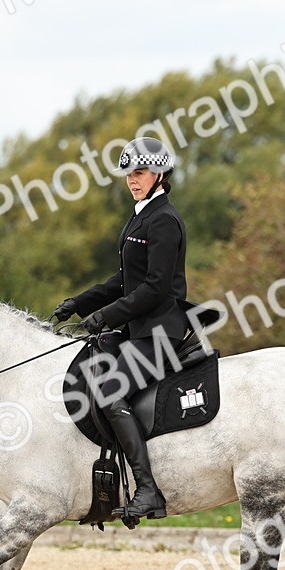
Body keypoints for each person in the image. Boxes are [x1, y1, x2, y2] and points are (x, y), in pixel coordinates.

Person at [52, 136, 190, 521]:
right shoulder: (141, 213)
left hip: (161, 331)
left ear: (160, 174)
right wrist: (79, 303)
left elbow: (155, 287)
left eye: (141, 172)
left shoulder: (164, 219)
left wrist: (104, 317)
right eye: (129, 172)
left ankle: (148, 490)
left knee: (110, 390)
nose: (133, 179)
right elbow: (125, 278)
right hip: (139, 328)